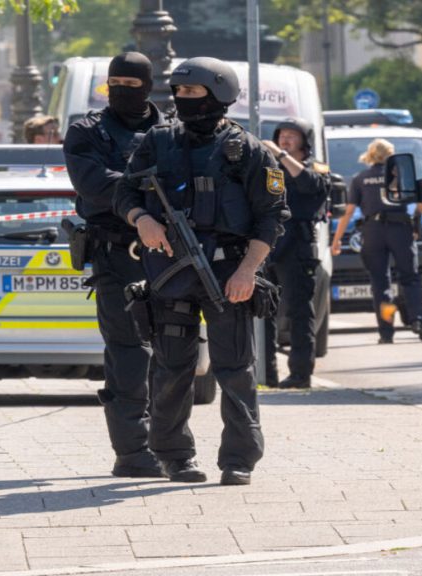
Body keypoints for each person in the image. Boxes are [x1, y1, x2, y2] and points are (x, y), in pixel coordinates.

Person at [114, 57, 287, 485]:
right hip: (171, 270)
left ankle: (239, 459)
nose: (182, 98)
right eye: (179, 91)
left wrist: (247, 271)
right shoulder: (158, 142)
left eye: (192, 92)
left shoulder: (247, 149)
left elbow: (271, 217)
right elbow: (124, 191)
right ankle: (174, 456)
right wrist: (141, 218)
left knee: (235, 369)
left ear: (219, 93)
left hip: (228, 272)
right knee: (172, 370)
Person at [63, 52, 168, 479]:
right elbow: (93, 183)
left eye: (131, 83)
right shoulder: (87, 131)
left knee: (173, 351)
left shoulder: (171, 130)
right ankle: (133, 451)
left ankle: (171, 444)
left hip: (169, 253)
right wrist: (150, 194)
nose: (121, 90)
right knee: (128, 353)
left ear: (148, 86)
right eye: (115, 83)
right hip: (117, 254)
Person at [331, 138, 422, 344]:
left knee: (380, 283)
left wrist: (337, 240)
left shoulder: (360, 179)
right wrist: (416, 222)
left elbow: (348, 212)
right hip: (400, 230)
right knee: (410, 278)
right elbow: (421, 204)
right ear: (391, 154)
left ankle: (386, 331)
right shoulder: (401, 175)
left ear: (370, 155)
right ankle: (418, 320)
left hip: (373, 232)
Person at [261, 118, 332, 389]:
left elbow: (311, 185)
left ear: (304, 141)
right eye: (282, 135)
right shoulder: (271, 168)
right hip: (269, 245)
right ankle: (266, 373)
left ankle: (300, 374)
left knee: (300, 312)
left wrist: (281, 155)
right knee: (263, 312)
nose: (285, 139)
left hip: (297, 248)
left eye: (292, 135)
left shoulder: (315, 168)